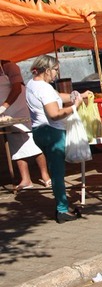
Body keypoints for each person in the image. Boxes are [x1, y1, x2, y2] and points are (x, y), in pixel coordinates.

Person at [25, 55, 87, 223]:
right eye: (55, 70)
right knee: (58, 173)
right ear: (46, 70)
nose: (56, 74)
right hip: (52, 132)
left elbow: (56, 96)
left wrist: (76, 95)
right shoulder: (44, 88)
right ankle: (62, 210)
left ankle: (62, 206)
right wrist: (75, 107)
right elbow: (54, 114)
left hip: (39, 131)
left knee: (55, 170)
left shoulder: (32, 84)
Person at [0, 59, 51, 190]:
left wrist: (4, 106)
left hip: (19, 105)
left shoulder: (9, 67)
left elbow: (16, 89)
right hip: (6, 111)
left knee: (32, 140)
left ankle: (45, 176)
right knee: (15, 142)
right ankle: (26, 180)